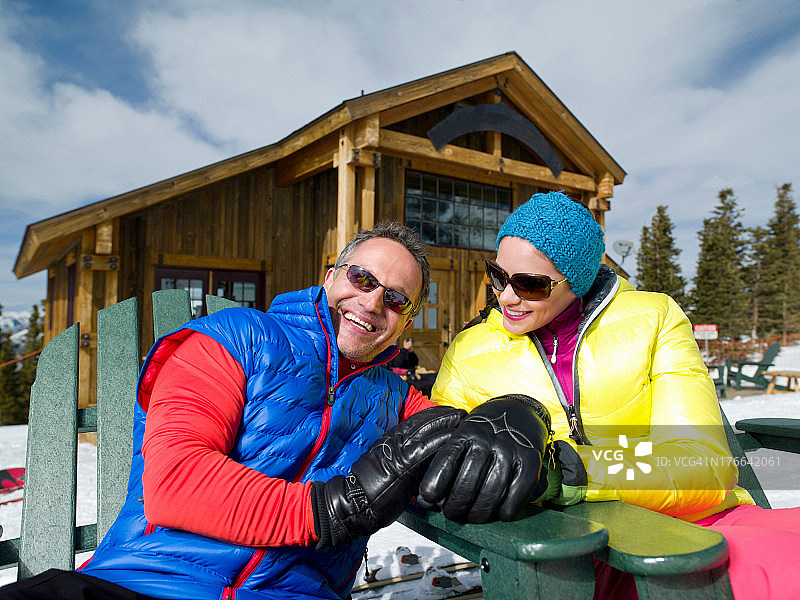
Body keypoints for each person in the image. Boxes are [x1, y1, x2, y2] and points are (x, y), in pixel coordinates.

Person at [1, 222, 549, 600]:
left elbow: (473, 443)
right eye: (362, 279)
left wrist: (522, 415)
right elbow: (176, 483)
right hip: (145, 584)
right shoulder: (232, 339)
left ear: (404, 324)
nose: (372, 304)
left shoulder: (395, 398)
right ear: (331, 274)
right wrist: (337, 508)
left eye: (397, 300)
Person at [424, 191, 800, 599]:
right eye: (498, 276)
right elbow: (446, 464)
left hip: (702, 518)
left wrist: (572, 470)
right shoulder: (469, 351)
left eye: (530, 285)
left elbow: (702, 460)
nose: (507, 297)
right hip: (576, 552)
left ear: (577, 281)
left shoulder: (653, 319)